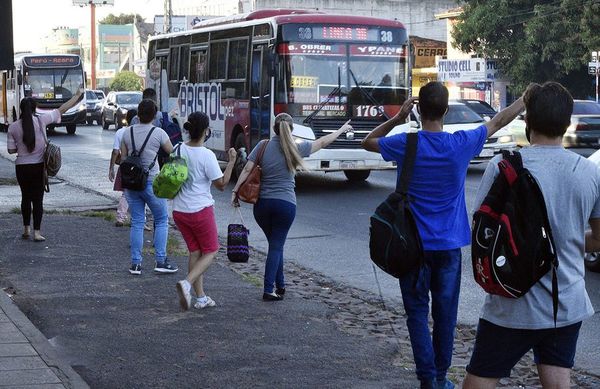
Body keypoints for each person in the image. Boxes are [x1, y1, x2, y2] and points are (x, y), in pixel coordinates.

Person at [361, 81, 525, 389]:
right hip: (449, 247)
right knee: (445, 317)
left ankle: (429, 381)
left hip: (412, 247)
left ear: (419, 109)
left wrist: (398, 118)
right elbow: (498, 120)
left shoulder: (406, 144)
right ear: (446, 111)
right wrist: (524, 100)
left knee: (417, 314)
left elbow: (368, 142)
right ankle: (439, 376)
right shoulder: (459, 143)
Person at [463, 82, 600, 388]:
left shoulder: (503, 167)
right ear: (566, 124)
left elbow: (482, 232)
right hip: (564, 306)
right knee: (557, 380)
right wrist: (566, 242)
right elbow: (599, 239)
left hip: (510, 306)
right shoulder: (589, 172)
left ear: (527, 121)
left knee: (478, 382)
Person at [231, 113, 352, 301]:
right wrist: (341, 130)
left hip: (262, 205)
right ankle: (268, 289)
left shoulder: (262, 146)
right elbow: (321, 143)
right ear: (291, 129)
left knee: (275, 245)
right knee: (276, 246)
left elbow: (247, 169)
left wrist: (235, 191)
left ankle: (280, 285)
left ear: (274, 128)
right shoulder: (296, 148)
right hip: (285, 205)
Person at [174, 112, 237, 310]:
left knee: (195, 251)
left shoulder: (177, 149)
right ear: (206, 131)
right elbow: (221, 185)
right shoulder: (206, 154)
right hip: (200, 210)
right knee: (212, 251)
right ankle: (187, 283)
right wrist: (232, 162)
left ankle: (200, 297)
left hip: (179, 211)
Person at [7, 90, 84, 242]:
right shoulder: (42, 120)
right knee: (38, 199)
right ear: (35, 108)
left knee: (25, 198)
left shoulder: (13, 127)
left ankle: (26, 229)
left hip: (21, 167)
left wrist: (21, 148)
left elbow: (11, 150)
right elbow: (62, 109)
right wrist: (76, 96)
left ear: (21, 109)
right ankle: (37, 233)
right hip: (38, 167)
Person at [120, 99, 177, 275]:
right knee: (161, 220)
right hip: (152, 182)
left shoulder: (126, 133)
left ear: (138, 114)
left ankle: (136, 264)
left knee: (137, 222)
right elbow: (172, 153)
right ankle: (160, 260)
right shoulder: (158, 133)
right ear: (154, 115)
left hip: (131, 184)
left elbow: (122, 160)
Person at [109, 109, 137, 227]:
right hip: (139, 166)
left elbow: (115, 152)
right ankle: (139, 220)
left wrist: (111, 168)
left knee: (126, 193)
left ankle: (121, 217)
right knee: (140, 193)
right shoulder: (140, 132)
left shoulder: (120, 132)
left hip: (125, 165)